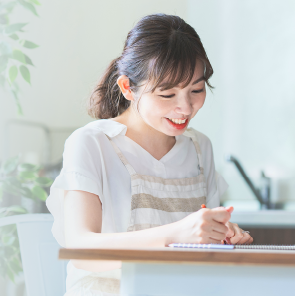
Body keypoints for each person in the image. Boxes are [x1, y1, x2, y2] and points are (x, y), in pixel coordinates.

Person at [46, 14, 252, 295]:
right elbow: (80, 248)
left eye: (197, 90)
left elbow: (203, 246)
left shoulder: (199, 147)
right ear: (128, 88)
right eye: (167, 95)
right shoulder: (92, 143)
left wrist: (220, 235)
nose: (186, 108)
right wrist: (178, 234)